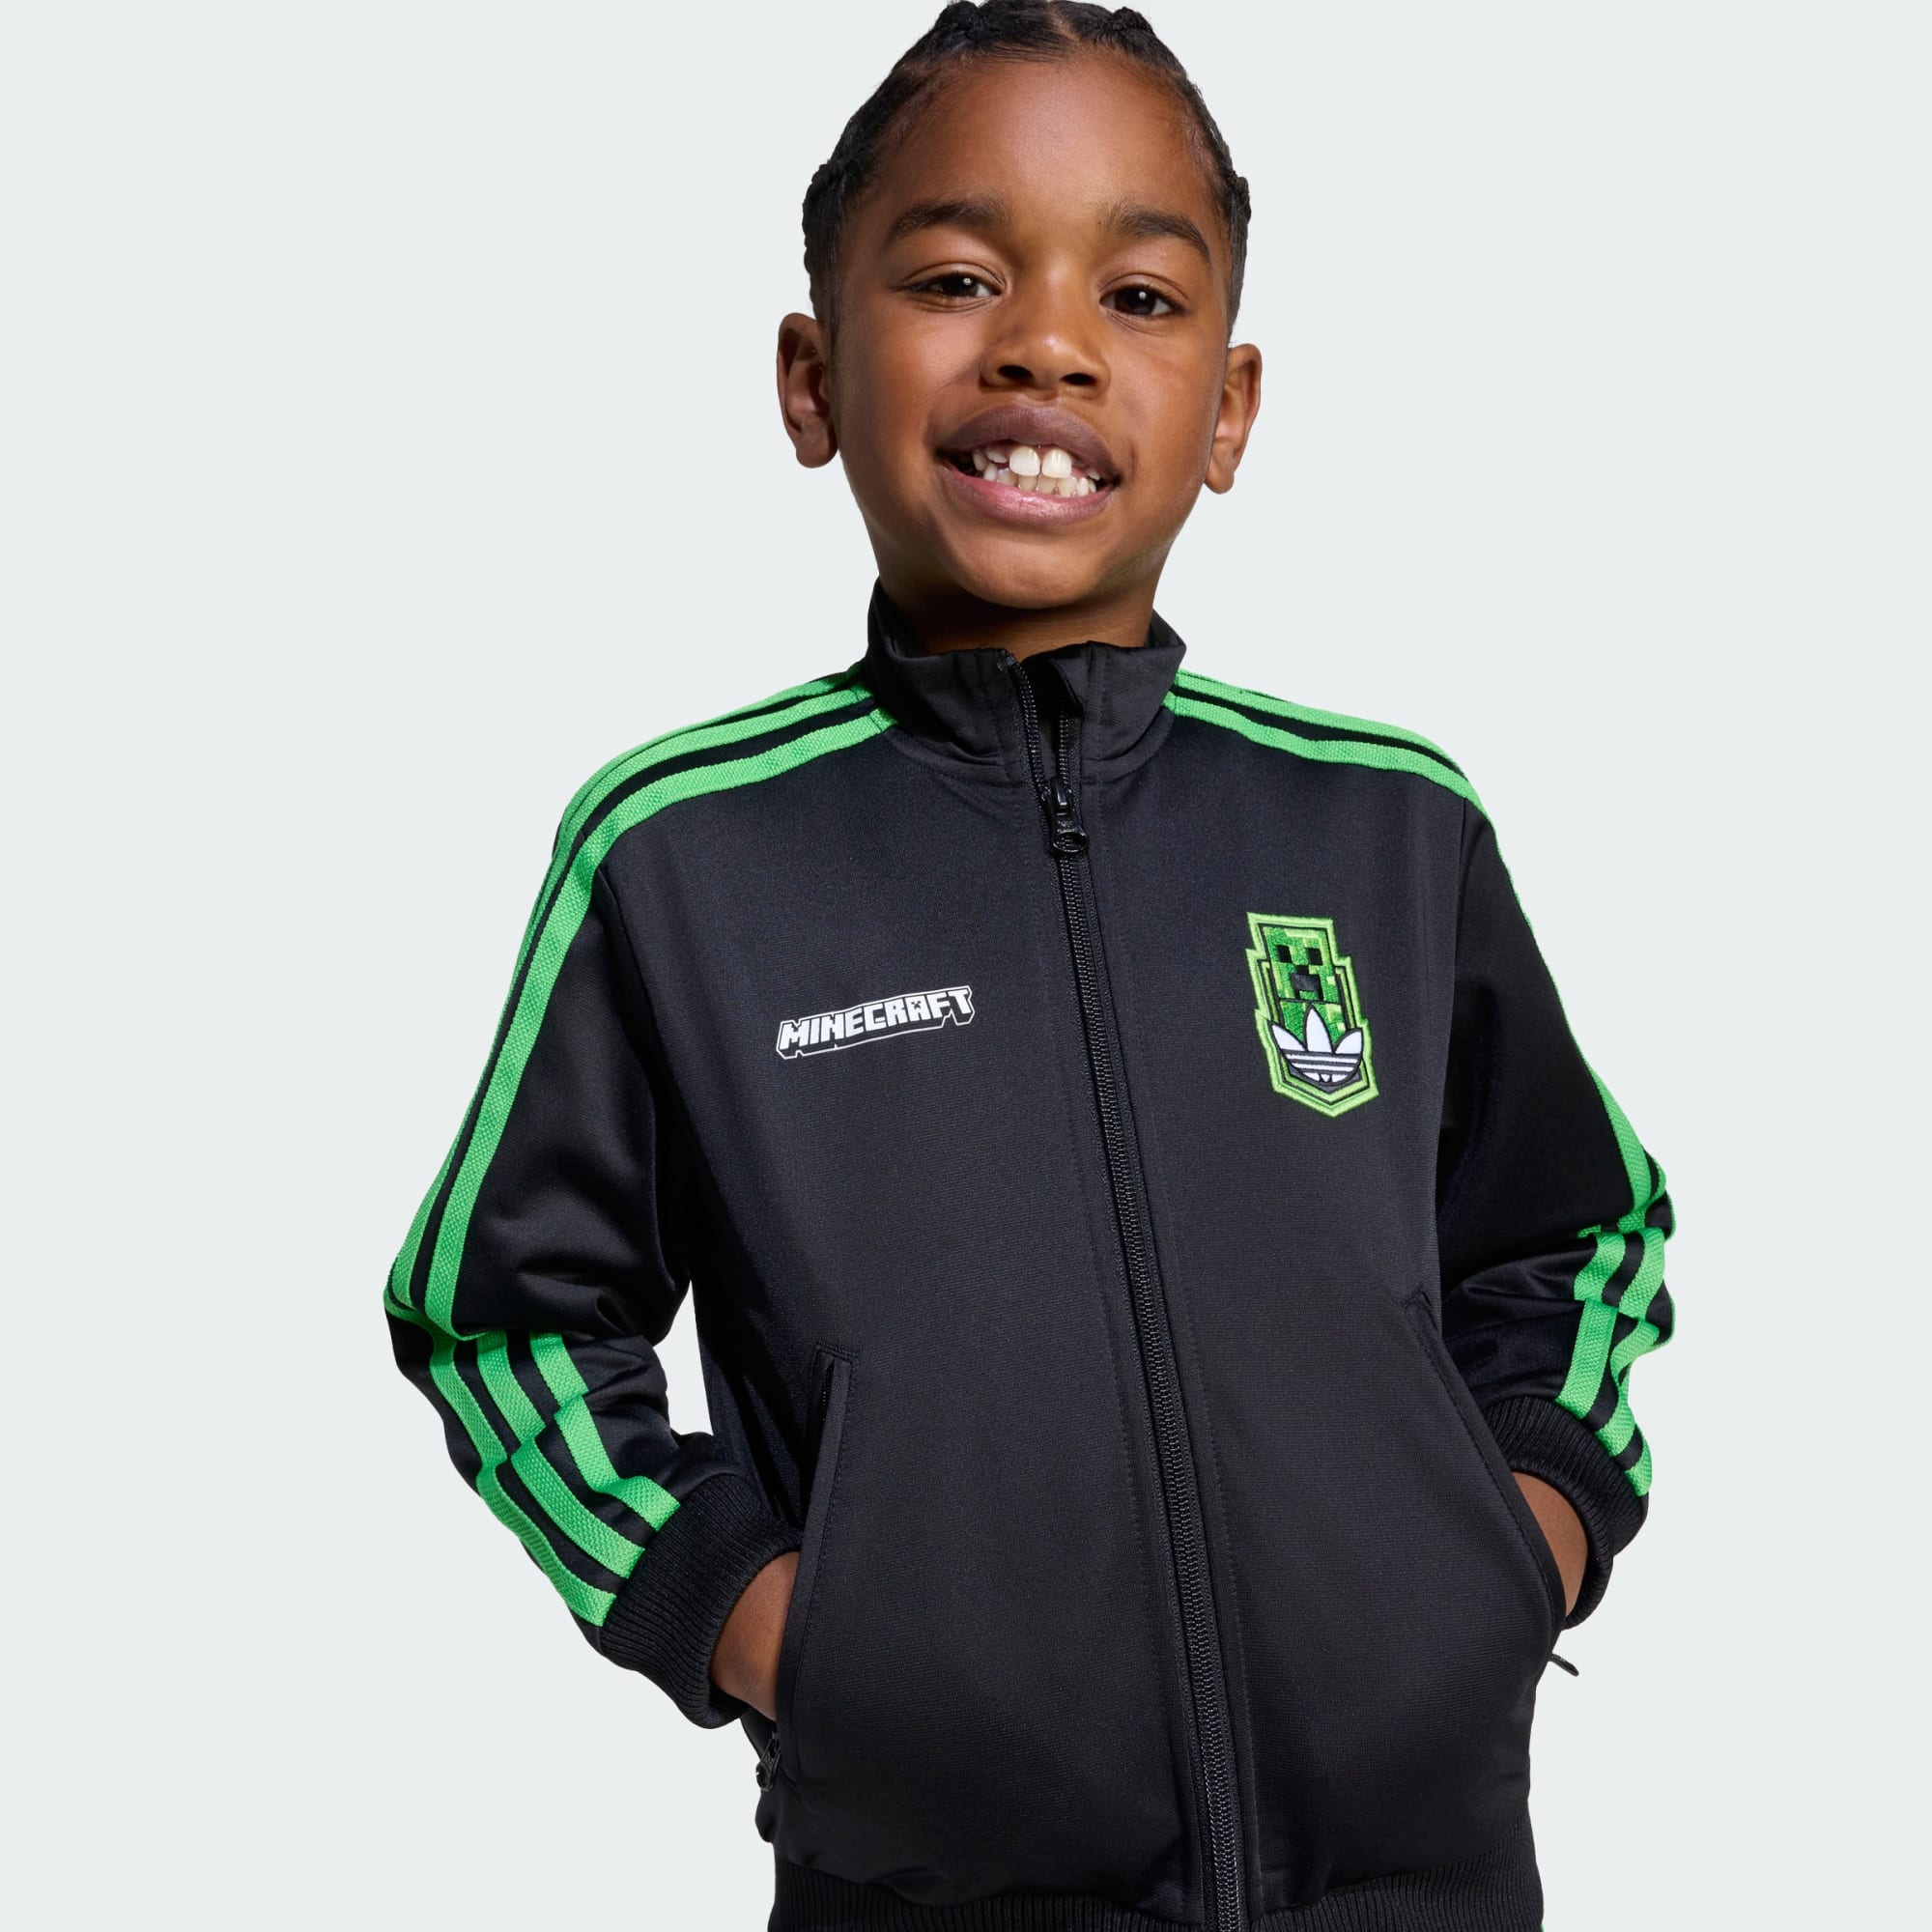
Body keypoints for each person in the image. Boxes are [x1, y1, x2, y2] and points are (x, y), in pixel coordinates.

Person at [383, 4, 1675, 1926]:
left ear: (1227, 411)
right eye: (956, 278)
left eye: (1138, 297)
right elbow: (502, 1317)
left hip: (1420, 1879)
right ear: (812, 377)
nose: (1046, 344)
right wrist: (768, 1625)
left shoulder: (1384, 828)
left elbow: (1576, 1234)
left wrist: (1520, 1541)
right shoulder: (682, 854)